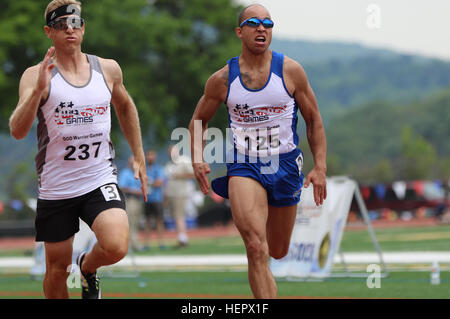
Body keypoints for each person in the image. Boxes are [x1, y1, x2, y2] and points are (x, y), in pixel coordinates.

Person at [8, 0, 147, 299]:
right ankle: (74, 272)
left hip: (98, 177)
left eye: (75, 23)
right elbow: (18, 131)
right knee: (57, 270)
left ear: (83, 28)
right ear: (49, 31)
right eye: (60, 25)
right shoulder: (36, 75)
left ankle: (86, 267)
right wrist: (36, 93)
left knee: (116, 245)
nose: (69, 29)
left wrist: (137, 155)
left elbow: (124, 105)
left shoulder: (107, 69)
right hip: (57, 187)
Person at [189, 4, 327, 298]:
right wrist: (198, 158)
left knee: (276, 250)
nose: (262, 28)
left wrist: (321, 166)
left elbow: (313, 119)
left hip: (286, 164)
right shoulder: (223, 79)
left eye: (268, 23)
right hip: (244, 164)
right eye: (254, 23)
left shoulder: (290, 71)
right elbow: (198, 120)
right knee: (255, 247)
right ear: (240, 31)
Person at [164, 145, 195, 248]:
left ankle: (183, 238)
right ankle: (181, 237)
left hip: (181, 193)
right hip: (171, 194)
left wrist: (179, 175)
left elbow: (193, 174)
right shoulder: (169, 165)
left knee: (179, 216)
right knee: (175, 216)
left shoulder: (184, 160)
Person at [118, 156, 145, 252]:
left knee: (136, 223)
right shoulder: (125, 173)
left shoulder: (138, 172)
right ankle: (133, 245)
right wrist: (136, 191)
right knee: (131, 223)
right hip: (130, 200)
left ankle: (134, 244)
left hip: (139, 200)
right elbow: (122, 187)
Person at [143, 150, 167, 250]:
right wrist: (152, 183)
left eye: (152, 155)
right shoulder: (143, 169)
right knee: (147, 221)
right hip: (146, 199)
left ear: (155, 157)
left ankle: (161, 243)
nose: (150, 157)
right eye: (148, 155)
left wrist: (148, 183)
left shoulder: (159, 169)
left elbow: (160, 183)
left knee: (159, 221)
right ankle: (146, 244)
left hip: (157, 199)